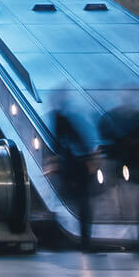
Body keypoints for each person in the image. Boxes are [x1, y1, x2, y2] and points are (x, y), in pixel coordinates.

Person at [47, 107, 98, 249]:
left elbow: (60, 146)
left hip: (72, 171)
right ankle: (85, 242)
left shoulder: (63, 128)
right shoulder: (73, 127)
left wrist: (56, 163)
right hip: (77, 171)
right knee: (83, 205)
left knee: (66, 201)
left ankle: (57, 239)